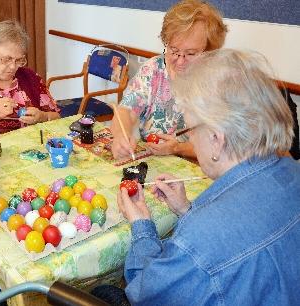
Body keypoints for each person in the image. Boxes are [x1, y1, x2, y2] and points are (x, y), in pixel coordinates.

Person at [114, 49, 300, 305]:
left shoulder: (196, 242)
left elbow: (145, 293)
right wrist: (187, 209)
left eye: (190, 128)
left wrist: (142, 226)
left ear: (216, 139)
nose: (190, 138)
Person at [110, 0, 227, 160]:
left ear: (210, 51)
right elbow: (126, 111)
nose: (180, 61)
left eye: (191, 54)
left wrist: (178, 148)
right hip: (154, 161)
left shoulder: (218, 82)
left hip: (197, 166)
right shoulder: (153, 69)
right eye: (174, 50)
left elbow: (223, 148)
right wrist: (120, 137)